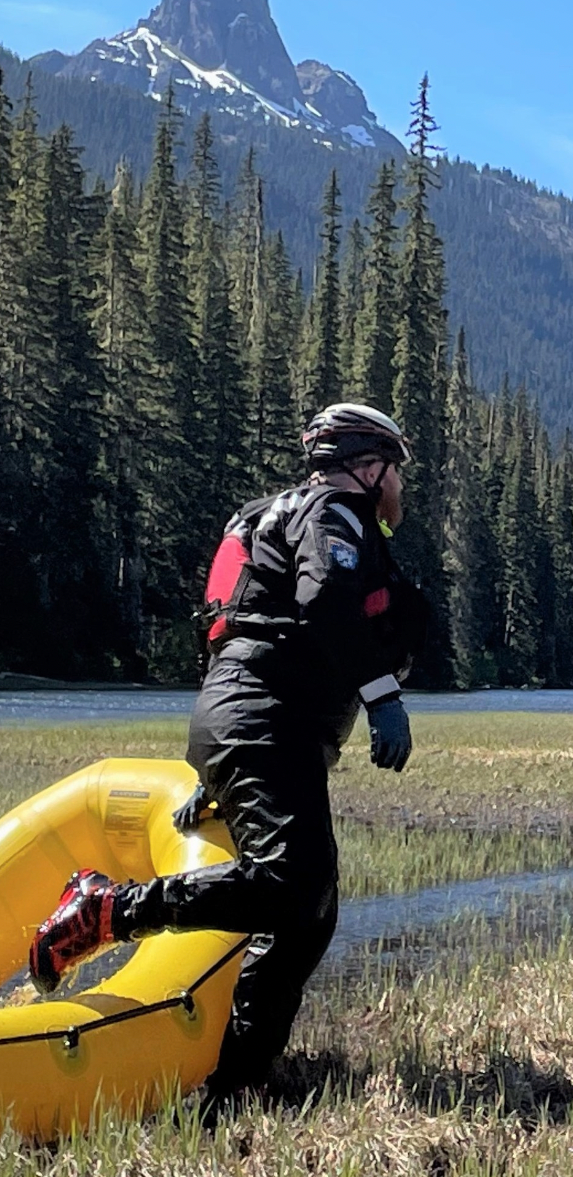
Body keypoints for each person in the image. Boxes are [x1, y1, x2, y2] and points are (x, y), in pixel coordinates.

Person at [29, 403, 428, 1115]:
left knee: (310, 908)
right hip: (258, 718)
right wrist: (381, 692)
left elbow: (238, 624)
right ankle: (108, 909)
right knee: (292, 885)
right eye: (395, 472)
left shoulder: (274, 516)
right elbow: (326, 602)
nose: (400, 488)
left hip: (241, 718)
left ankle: (238, 1081)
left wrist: (223, 777)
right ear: (368, 470)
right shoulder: (335, 516)